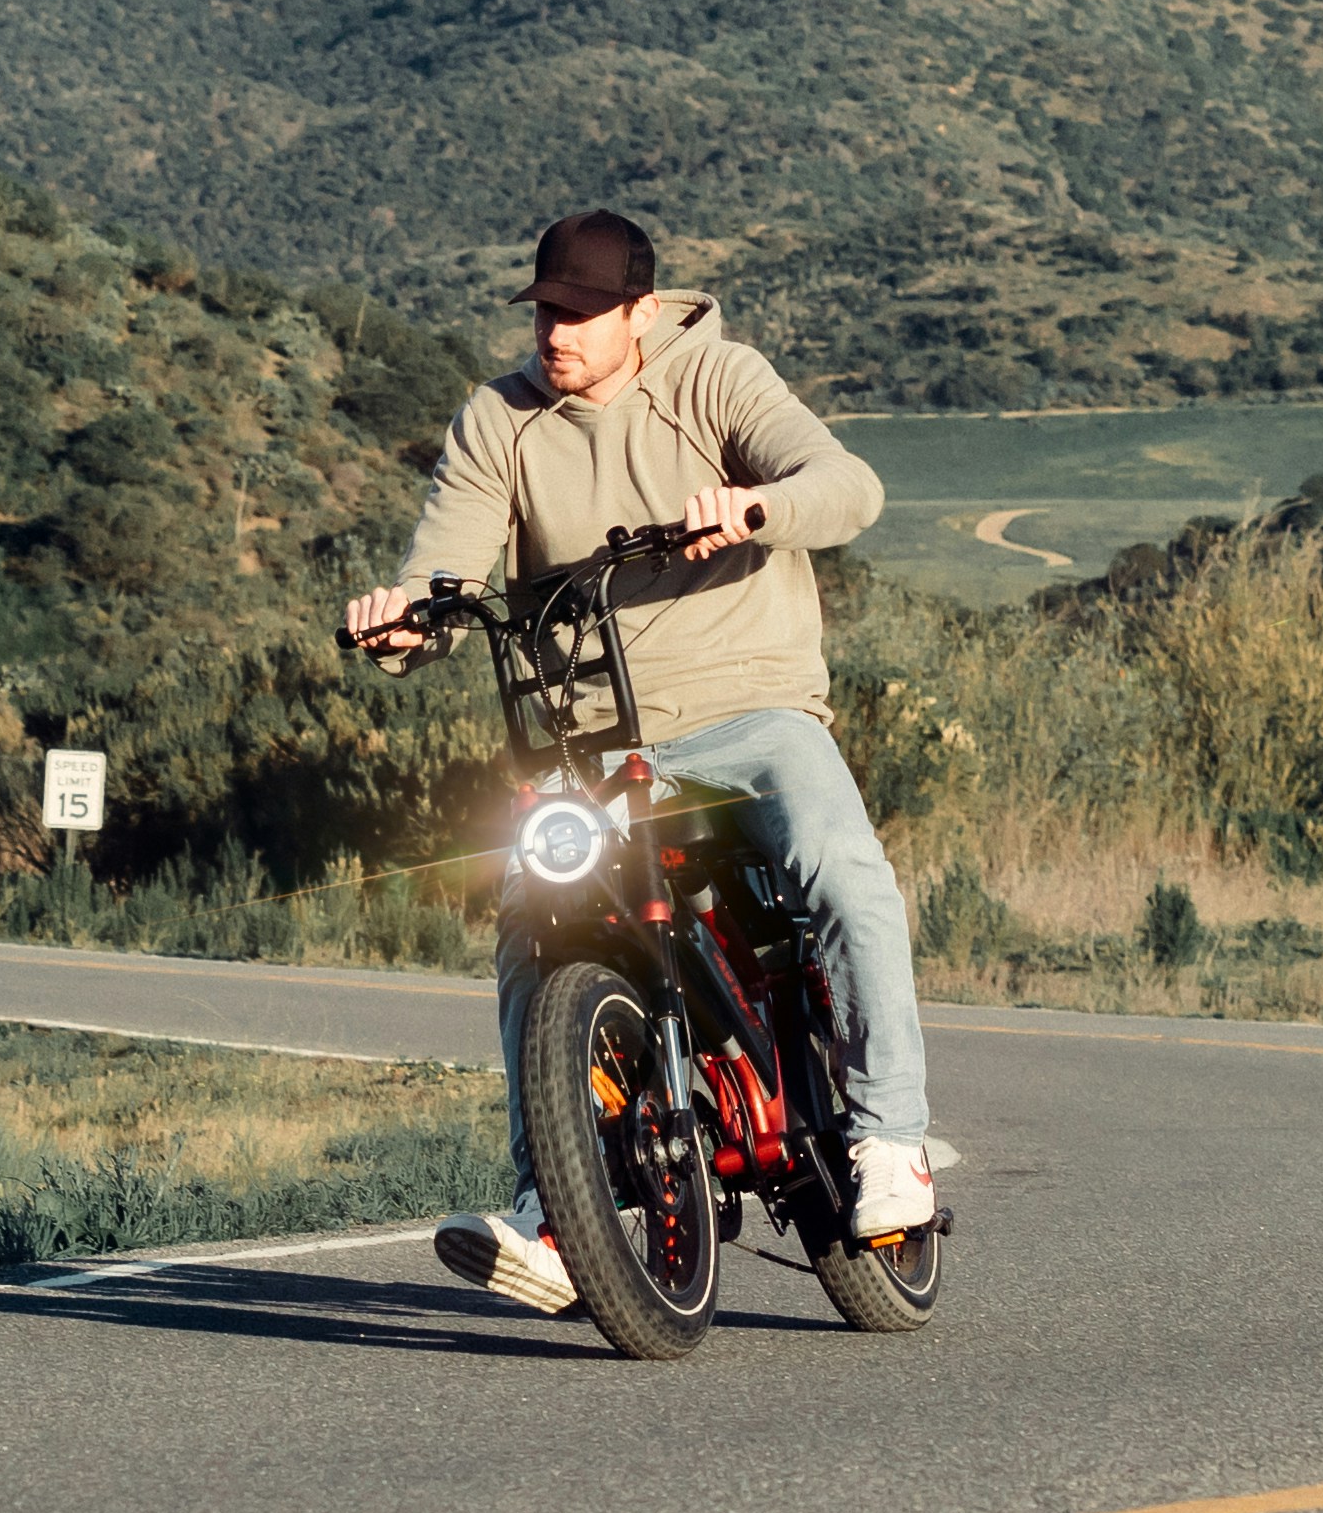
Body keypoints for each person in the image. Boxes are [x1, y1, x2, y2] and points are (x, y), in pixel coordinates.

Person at [341, 209, 937, 1316]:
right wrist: (404, 627)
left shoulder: (716, 378)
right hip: (588, 748)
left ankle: (891, 1142)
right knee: (529, 922)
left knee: (842, 870)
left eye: (580, 313)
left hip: (750, 710)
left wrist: (759, 504)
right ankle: (549, 1206)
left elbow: (847, 487)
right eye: (543, 311)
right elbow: (444, 569)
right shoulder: (499, 420)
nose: (554, 333)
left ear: (642, 315)